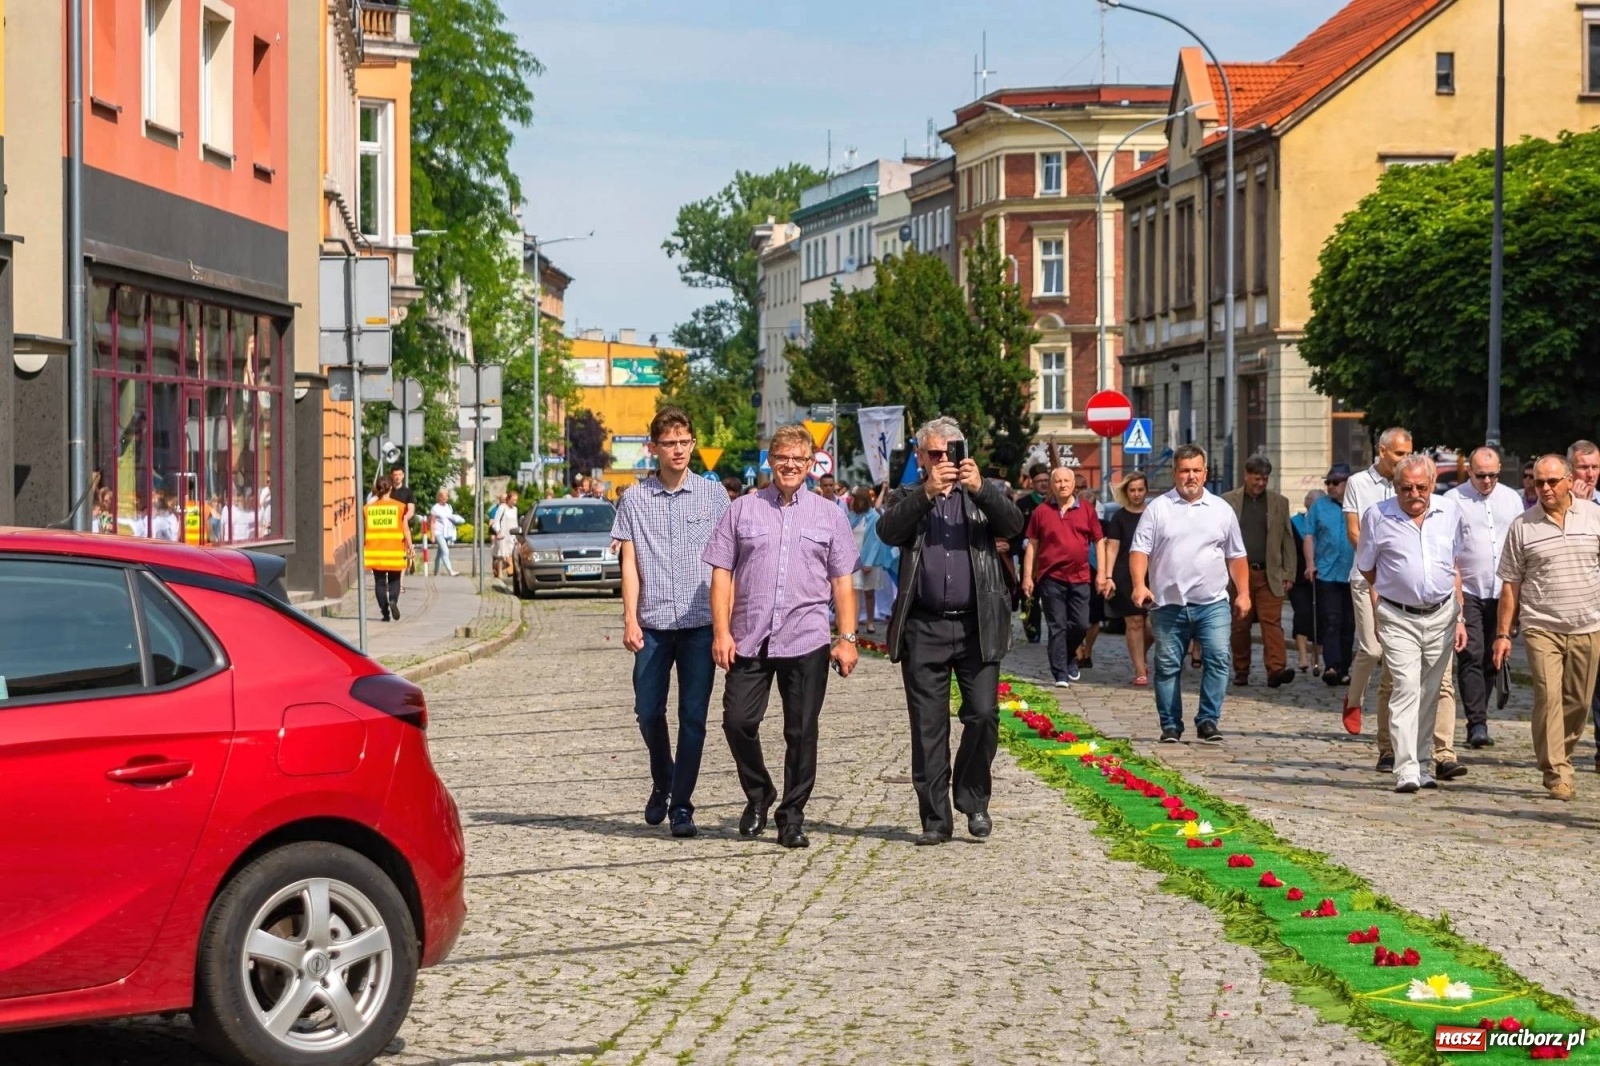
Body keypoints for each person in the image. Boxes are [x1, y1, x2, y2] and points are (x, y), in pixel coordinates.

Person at [704, 424, 859, 850]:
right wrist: (721, 631)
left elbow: (843, 582)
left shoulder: (829, 515)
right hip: (749, 636)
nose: (790, 465)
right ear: (770, 461)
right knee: (738, 722)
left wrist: (847, 637)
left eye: (799, 458)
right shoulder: (742, 510)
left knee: (801, 731)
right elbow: (721, 572)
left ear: (810, 465)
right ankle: (759, 793)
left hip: (806, 638)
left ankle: (792, 816)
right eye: (782, 457)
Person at [879, 416, 1024, 845]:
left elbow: (1014, 526)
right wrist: (926, 494)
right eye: (936, 454)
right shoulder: (907, 495)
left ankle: (973, 798)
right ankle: (935, 819)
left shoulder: (982, 493)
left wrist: (981, 489)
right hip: (924, 625)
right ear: (922, 457)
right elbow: (887, 531)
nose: (945, 461)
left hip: (978, 624)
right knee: (928, 727)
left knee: (982, 714)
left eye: (952, 453)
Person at [613, 408, 731, 839]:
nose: (678, 449)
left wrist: (725, 626)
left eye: (684, 441)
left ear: (693, 445)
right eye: (669, 443)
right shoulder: (634, 499)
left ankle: (681, 804)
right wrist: (629, 618)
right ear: (654, 448)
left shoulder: (713, 496)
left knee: (694, 717)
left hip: (700, 622)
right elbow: (629, 561)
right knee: (647, 712)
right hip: (654, 622)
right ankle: (663, 779)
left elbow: (726, 564)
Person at [1355, 454, 1468, 793]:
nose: (1415, 494)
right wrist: (1390, 593)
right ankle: (1405, 768)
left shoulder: (1449, 512)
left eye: (1421, 487)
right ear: (1395, 487)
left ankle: (1423, 763)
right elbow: (1367, 566)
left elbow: (1453, 564)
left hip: (1441, 614)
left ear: (1432, 485)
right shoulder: (1377, 516)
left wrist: (1459, 614)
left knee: (1430, 691)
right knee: (1405, 686)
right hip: (1397, 614)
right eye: (1407, 488)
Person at [1494, 454, 1600, 801]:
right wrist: (1503, 634)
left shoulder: (1594, 516)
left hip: (1588, 623)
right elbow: (1510, 584)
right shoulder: (1522, 526)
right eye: (1539, 482)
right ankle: (1557, 771)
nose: (1545, 488)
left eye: (1552, 481)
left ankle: (1561, 755)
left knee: (1578, 703)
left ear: (1569, 480)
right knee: (1548, 697)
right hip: (1541, 626)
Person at [1129, 445, 1249, 743]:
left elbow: (1236, 555)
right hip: (1168, 604)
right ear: (1175, 474)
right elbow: (1139, 550)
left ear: (1205, 473)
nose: (1191, 476)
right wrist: (1139, 584)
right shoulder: (1158, 508)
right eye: (1185, 470)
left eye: (1196, 470)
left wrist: (1243, 593)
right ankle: (1170, 725)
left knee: (1219, 658)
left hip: (1213, 603)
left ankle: (1208, 719)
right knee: (1168, 665)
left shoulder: (1222, 510)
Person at [1451, 447, 1525, 750]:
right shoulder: (1454, 500)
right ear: (1469, 470)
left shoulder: (1511, 498)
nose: (1487, 481)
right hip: (1468, 588)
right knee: (1470, 652)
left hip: (1503, 589)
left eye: (1493, 475)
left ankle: (1481, 713)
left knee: (1494, 654)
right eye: (1481, 475)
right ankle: (1476, 723)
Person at [1342, 428, 1410, 748]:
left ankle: (1394, 720)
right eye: (1399, 454)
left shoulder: (1408, 485)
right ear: (1382, 451)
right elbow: (1354, 531)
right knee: (1372, 647)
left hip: (1398, 581)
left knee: (1397, 654)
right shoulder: (1358, 483)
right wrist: (1375, 565)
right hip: (1364, 575)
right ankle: (1354, 700)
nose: (1405, 460)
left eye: (1409, 453)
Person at [1021, 466, 1103, 688]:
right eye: (1058, 481)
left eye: (1067, 481)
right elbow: (1032, 545)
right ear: (1052, 485)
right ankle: (1060, 673)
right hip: (1051, 578)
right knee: (1057, 625)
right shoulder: (1042, 512)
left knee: (1080, 624)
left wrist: (1103, 574)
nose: (1063, 485)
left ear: (1073, 484)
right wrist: (1028, 576)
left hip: (1080, 577)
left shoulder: (1086, 510)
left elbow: (1099, 540)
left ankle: (1068, 657)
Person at [1223, 455, 1298, 688]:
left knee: (1272, 623)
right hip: (1237, 575)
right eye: (1257, 478)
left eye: (1265, 479)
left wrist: (1289, 573)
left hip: (1269, 574)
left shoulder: (1279, 502)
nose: (1261, 483)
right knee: (1240, 625)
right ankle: (1241, 669)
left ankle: (1276, 669)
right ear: (1246, 475)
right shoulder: (1228, 502)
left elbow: (1288, 539)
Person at [1305, 465, 1356, 687]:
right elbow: (1309, 536)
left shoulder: (1359, 505)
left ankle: (1344, 668)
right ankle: (1332, 666)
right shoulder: (1319, 506)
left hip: (1353, 574)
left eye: (1335, 482)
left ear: (1348, 483)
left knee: (1349, 624)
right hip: (1326, 573)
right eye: (1328, 482)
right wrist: (1310, 564)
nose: (1330, 487)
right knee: (1331, 621)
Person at [1102, 471, 1153, 686]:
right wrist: (1107, 576)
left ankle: (1140, 652)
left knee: (1153, 624)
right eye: (1132, 490)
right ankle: (1140, 669)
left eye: (1140, 490)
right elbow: (1112, 549)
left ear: (1146, 490)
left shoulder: (1154, 514)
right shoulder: (1119, 517)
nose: (1136, 494)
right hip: (1125, 575)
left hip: (1154, 574)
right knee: (1134, 622)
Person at [847, 486, 892, 634]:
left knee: (869, 593)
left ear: (860, 499)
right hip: (853, 560)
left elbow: (875, 542)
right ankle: (853, 623)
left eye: (854, 498)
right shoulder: (852, 515)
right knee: (854, 593)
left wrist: (868, 563)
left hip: (869, 562)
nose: (851, 500)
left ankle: (870, 622)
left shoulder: (874, 516)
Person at [364, 477, 408, 622]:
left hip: (375, 551)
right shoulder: (399, 507)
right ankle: (393, 600)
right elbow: (405, 528)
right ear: (391, 488)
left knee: (379, 583)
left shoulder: (368, 509)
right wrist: (410, 545)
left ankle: (385, 612)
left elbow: (364, 529)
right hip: (394, 549)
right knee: (395, 581)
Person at [1015, 465, 1051, 644]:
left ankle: (1056, 631)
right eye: (1039, 481)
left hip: (1051, 558)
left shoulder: (1055, 502)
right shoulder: (1023, 504)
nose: (1043, 484)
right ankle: (1032, 631)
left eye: (1046, 480)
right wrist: (1022, 541)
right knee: (1029, 596)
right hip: (1029, 558)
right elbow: (1015, 529)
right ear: (1032, 483)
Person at [1289, 490, 1322, 675]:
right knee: (1302, 614)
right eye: (1311, 502)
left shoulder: (1325, 521)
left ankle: (1316, 656)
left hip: (1323, 575)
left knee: (1321, 617)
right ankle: (1302, 655)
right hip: (1299, 577)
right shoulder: (1295, 522)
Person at [429, 489, 460, 577]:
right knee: (445, 551)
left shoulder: (448, 507)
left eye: (447, 496)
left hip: (447, 532)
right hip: (438, 532)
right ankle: (450, 571)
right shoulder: (435, 508)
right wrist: (432, 535)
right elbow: (432, 522)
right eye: (445, 496)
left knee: (440, 553)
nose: (447, 497)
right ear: (440, 497)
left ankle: (436, 571)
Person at [490, 490, 520, 580]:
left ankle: (496, 568)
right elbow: (496, 521)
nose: (515, 502)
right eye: (513, 500)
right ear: (509, 499)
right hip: (502, 534)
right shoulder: (502, 508)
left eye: (516, 500)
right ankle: (499, 573)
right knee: (501, 555)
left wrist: (517, 534)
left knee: (510, 556)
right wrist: (498, 532)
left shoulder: (515, 509)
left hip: (511, 535)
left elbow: (515, 522)